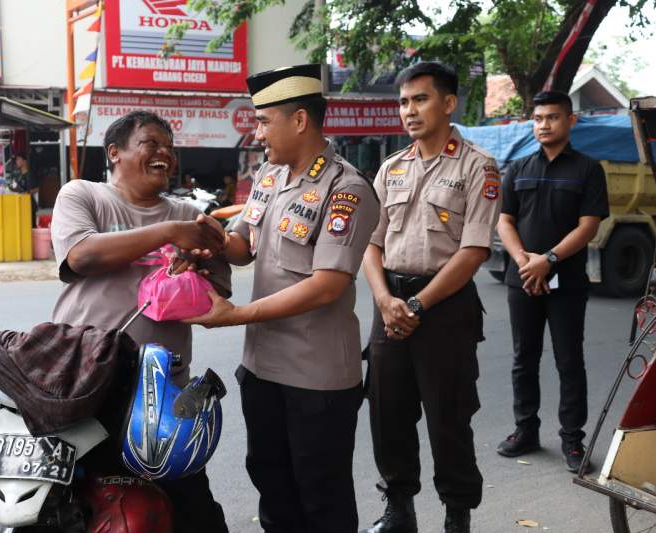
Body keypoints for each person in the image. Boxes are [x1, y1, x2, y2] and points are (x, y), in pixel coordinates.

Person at [187, 64, 379, 533]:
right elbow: (243, 246)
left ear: (299, 120)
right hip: (263, 369)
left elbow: (327, 284)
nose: (256, 133)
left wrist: (234, 315)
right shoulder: (270, 176)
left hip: (316, 379)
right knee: (271, 482)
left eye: (263, 121)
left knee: (321, 496)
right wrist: (207, 241)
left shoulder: (346, 188)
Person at [50, 111, 231, 533]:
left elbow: (218, 295)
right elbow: (82, 255)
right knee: (77, 502)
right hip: (86, 384)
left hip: (162, 392)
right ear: (115, 152)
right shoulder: (84, 195)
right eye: (150, 143)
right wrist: (169, 232)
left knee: (193, 510)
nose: (164, 153)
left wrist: (196, 269)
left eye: (169, 146)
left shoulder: (189, 212)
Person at [360, 62, 501, 533]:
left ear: (448, 103)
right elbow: (372, 244)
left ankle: (457, 514)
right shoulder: (390, 168)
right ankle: (399, 507)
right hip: (390, 306)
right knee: (388, 413)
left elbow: (474, 250)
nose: (409, 110)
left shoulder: (478, 166)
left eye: (420, 99)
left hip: (444, 308)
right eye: (403, 102)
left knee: (449, 417)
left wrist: (418, 306)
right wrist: (384, 300)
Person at [495, 91, 609, 473]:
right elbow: (504, 220)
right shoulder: (518, 167)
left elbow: (589, 226)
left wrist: (550, 260)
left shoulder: (588, 170)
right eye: (539, 118)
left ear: (570, 121)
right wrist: (525, 261)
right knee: (522, 359)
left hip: (568, 281)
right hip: (522, 278)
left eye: (553, 118)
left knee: (568, 360)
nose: (544, 125)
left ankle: (573, 441)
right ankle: (525, 430)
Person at [11, 154, 40, 226]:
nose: (16, 161)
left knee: (31, 226)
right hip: (21, 204)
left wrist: (26, 193)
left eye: (18, 159)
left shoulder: (30, 174)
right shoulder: (19, 175)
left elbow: (36, 189)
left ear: (24, 161)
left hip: (30, 205)